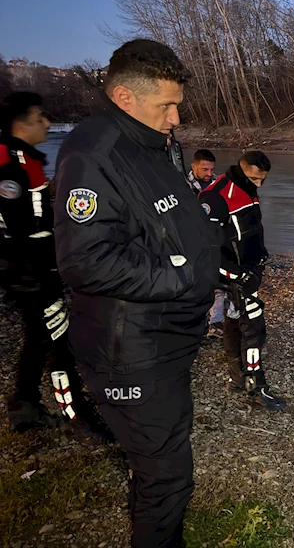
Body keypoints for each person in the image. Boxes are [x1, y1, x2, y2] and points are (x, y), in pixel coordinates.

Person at [54, 39, 220, 548]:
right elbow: (88, 260)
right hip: (130, 349)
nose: (176, 118)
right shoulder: (93, 154)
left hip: (165, 337)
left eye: (178, 104)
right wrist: (183, 277)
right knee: (167, 477)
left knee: (162, 454)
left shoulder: (153, 140)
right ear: (125, 97)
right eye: (166, 106)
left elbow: (162, 221)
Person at [0, 92, 105, 435]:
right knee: (59, 340)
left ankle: (23, 406)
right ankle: (77, 417)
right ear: (22, 122)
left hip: (36, 269)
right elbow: (17, 230)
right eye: (41, 116)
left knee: (37, 337)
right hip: (30, 272)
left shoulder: (27, 160)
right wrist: (31, 273)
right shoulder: (10, 163)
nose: (47, 122)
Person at [199, 151, 286, 410]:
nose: (258, 184)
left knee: (235, 320)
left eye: (263, 180)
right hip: (233, 272)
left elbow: (247, 232)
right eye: (254, 178)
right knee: (254, 327)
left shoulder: (247, 189)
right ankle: (255, 387)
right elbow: (204, 245)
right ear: (242, 169)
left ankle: (238, 379)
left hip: (248, 268)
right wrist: (235, 275)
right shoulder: (216, 195)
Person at [186, 149, 223, 336]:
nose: (209, 174)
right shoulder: (182, 186)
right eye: (204, 169)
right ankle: (195, 325)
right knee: (195, 286)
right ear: (194, 166)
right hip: (191, 242)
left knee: (217, 284)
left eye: (212, 169)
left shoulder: (219, 184)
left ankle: (215, 323)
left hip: (214, 241)